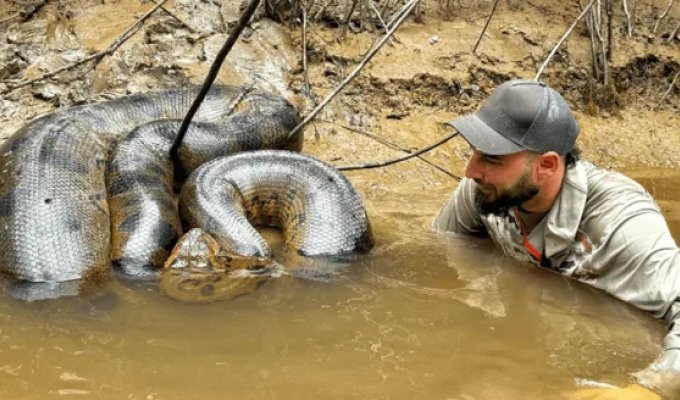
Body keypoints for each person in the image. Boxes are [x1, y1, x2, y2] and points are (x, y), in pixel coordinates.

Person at [433, 79, 680, 399]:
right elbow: (439, 249)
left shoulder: (621, 223)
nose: (470, 171)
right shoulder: (485, 192)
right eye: (475, 153)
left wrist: (648, 390)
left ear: (546, 164)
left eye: (492, 158)